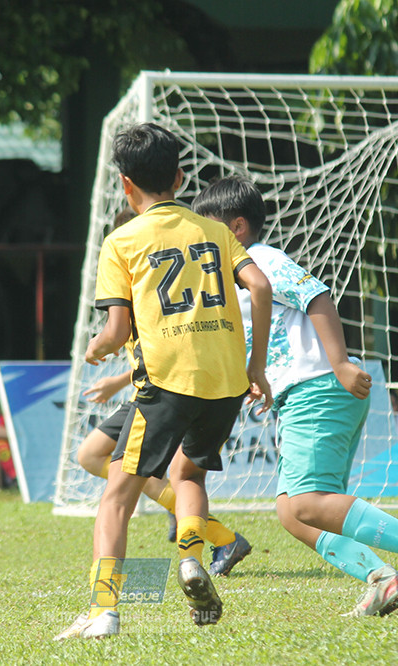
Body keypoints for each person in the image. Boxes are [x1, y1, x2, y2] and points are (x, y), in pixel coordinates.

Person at [194, 175, 398, 618]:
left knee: (306, 501)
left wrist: (339, 363)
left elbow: (315, 296)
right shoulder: (237, 278)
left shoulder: (261, 259)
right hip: (306, 394)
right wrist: (258, 380)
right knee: (292, 512)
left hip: (319, 387)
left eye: (209, 230)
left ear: (236, 228)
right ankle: (382, 578)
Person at [55, 123, 274, 640]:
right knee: (189, 477)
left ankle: (103, 611)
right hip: (226, 385)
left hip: (167, 385)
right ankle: (193, 558)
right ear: (179, 177)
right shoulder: (215, 231)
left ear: (125, 185)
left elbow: (116, 331)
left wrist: (98, 347)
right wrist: (256, 367)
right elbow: (260, 286)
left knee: (116, 497)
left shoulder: (122, 241)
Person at [79, 369, 253, 574]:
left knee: (174, 477)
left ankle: (219, 539)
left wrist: (117, 378)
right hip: (153, 391)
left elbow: (162, 354)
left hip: (163, 394)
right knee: (91, 455)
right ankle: (214, 534)